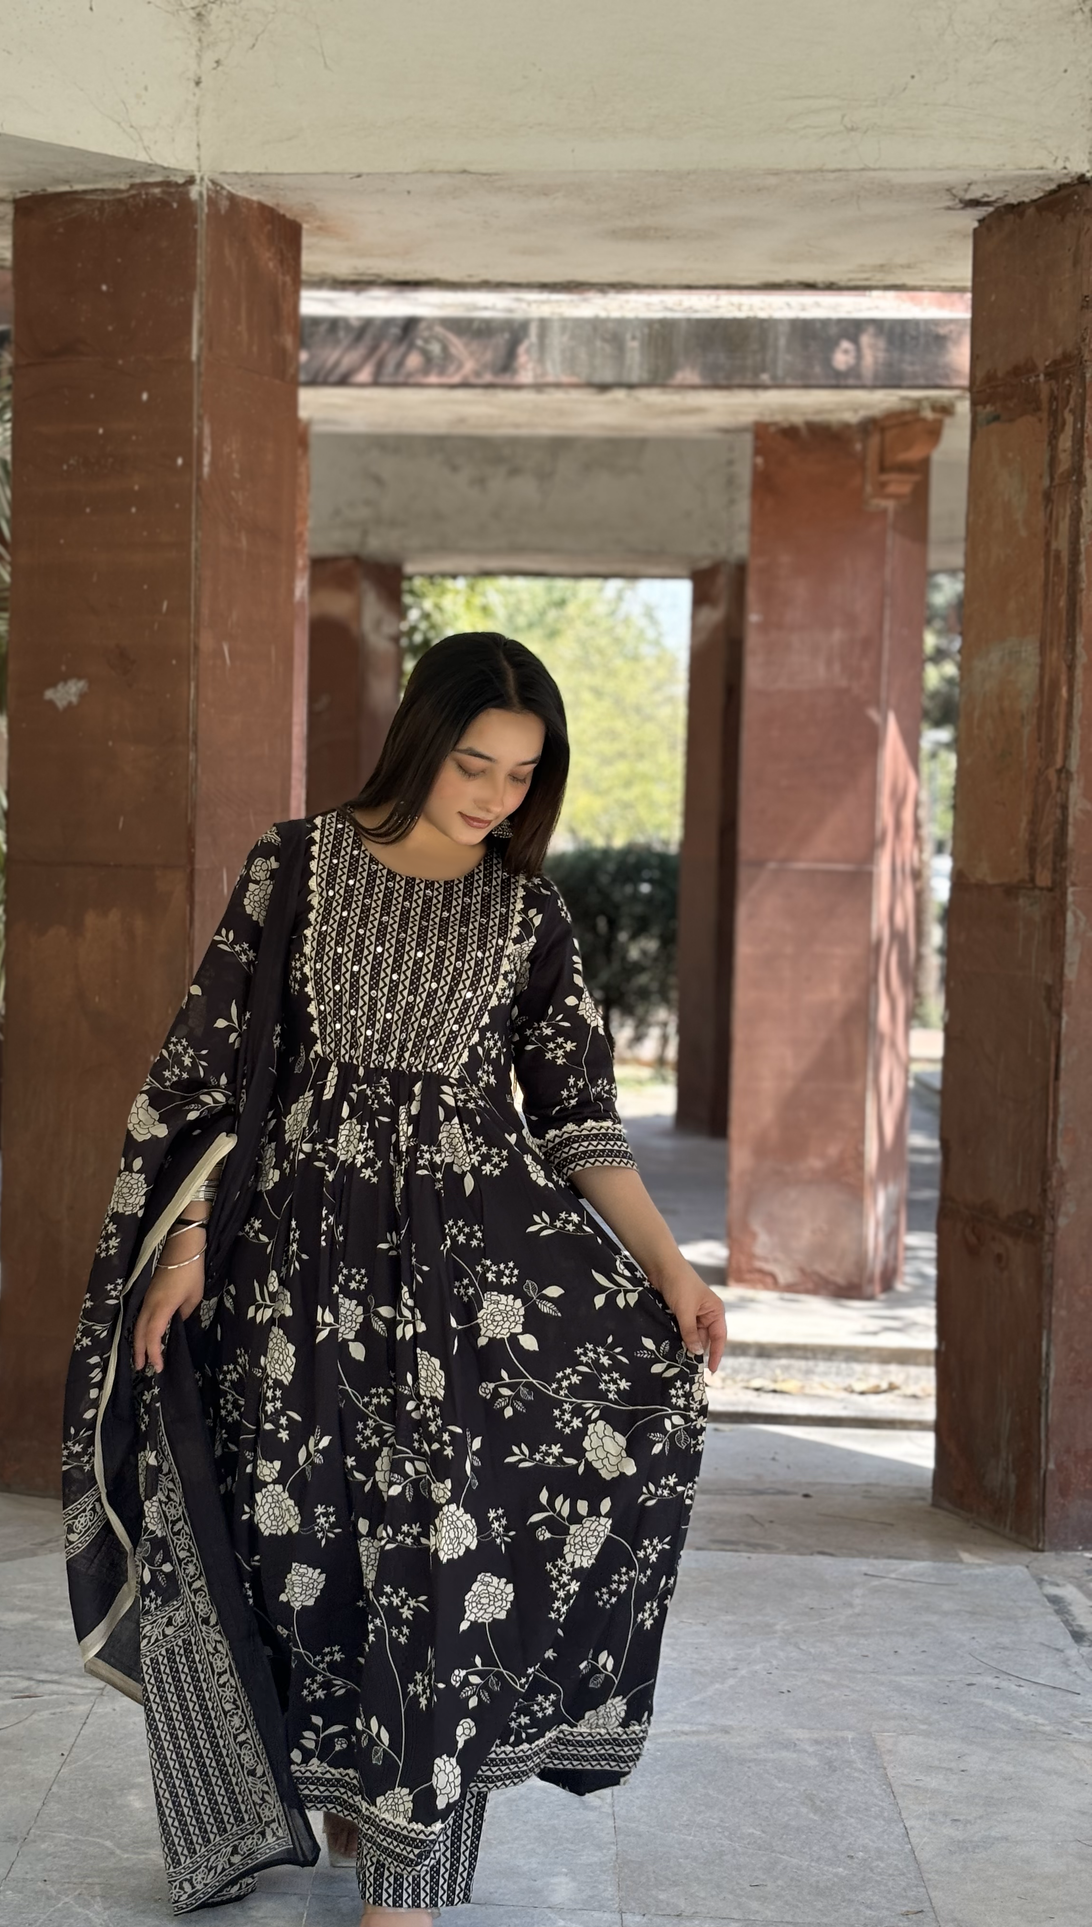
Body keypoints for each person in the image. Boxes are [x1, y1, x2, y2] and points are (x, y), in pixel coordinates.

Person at [63, 632, 726, 1921]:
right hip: (291, 1277)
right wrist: (184, 1249)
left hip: (469, 1288)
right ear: (420, 740)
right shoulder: (297, 868)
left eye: (522, 776)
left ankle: (406, 1877)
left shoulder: (526, 912)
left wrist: (671, 1270)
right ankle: (336, 1801)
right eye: (474, 764)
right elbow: (209, 1075)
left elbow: (580, 1124)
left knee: (440, 1547)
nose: (494, 797)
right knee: (298, 1538)